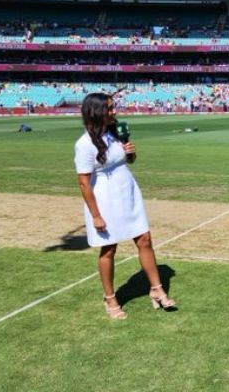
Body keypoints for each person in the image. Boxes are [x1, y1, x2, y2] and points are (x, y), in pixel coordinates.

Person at [75, 93, 175, 319]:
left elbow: (128, 160)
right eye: (109, 109)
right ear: (96, 112)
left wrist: (130, 153)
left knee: (145, 239)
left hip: (128, 192)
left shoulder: (114, 133)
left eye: (113, 108)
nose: (114, 112)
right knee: (109, 248)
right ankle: (110, 299)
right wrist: (96, 216)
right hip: (105, 199)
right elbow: (83, 183)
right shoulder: (84, 144)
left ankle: (157, 289)